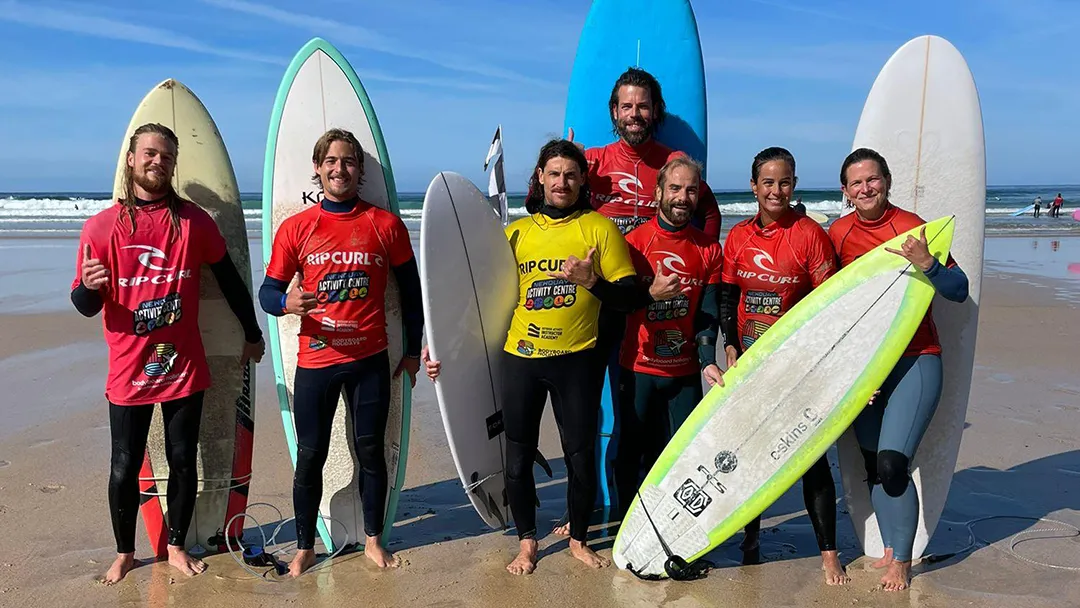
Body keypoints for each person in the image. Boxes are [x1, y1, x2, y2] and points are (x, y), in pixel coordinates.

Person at [421, 139, 682, 575]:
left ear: (582, 181)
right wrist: (437, 342)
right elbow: (472, 300)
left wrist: (592, 281)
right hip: (521, 358)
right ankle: (527, 542)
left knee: (579, 455)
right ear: (540, 178)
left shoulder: (599, 229)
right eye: (555, 173)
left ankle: (578, 539)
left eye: (571, 174)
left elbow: (629, 298)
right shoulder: (515, 234)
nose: (563, 182)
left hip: (575, 360)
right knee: (517, 457)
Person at [71, 123, 265, 585]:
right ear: (132, 159)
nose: (158, 162)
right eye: (150, 153)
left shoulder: (194, 222)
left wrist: (252, 333)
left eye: (167, 156)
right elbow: (84, 303)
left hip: (183, 368)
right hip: (129, 371)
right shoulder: (101, 227)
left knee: (182, 460)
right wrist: (90, 288)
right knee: (124, 466)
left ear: (174, 164)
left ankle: (175, 546)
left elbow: (230, 280)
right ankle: (125, 553)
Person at [259, 128, 423, 576]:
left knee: (370, 451)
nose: (339, 169)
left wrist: (412, 352)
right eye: (330, 161)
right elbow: (267, 293)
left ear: (360, 169)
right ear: (317, 168)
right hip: (316, 361)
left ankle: (373, 540)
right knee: (310, 455)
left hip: (370, 360)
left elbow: (412, 294)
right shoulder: (297, 228)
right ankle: (305, 547)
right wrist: (286, 302)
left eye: (348, 161)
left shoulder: (385, 225)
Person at [829, 148, 969, 592]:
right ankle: (890, 546)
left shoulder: (914, 228)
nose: (865, 188)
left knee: (893, 463)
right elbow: (828, 303)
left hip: (916, 358)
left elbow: (959, 289)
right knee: (872, 462)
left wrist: (927, 263)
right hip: (867, 366)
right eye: (856, 183)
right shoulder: (838, 234)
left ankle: (903, 563)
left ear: (887, 181)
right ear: (845, 191)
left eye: (872, 179)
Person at [716, 146, 848, 585]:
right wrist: (730, 345)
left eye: (785, 182)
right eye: (768, 182)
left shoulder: (809, 235)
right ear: (753, 186)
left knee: (811, 457)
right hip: (751, 366)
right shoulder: (738, 236)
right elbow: (728, 298)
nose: (776, 190)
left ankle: (829, 554)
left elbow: (830, 304)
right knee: (750, 454)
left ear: (794, 185)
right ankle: (750, 537)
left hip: (798, 366)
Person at [613, 156, 724, 518]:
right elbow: (618, 304)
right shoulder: (633, 244)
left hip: (684, 374)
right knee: (631, 451)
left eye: (691, 190)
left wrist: (708, 361)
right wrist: (649, 294)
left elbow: (708, 313)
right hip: (638, 368)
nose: (682, 197)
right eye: (675, 188)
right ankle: (625, 525)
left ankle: (671, 523)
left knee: (683, 456)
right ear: (658, 192)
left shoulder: (709, 249)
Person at [570, 67, 722, 239]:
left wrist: (707, 251)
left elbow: (710, 211)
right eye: (626, 107)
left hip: (654, 253)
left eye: (642, 106)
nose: (634, 114)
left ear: (655, 110)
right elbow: (548, 200)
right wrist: (565, 161)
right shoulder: (592, 160)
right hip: (603, 253)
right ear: (615, 111)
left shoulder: (673, 164)